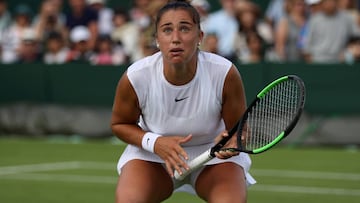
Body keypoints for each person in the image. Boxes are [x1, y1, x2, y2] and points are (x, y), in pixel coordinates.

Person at [111, 1, 255, 202]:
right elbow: (119, 124)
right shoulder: (136, 76)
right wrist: (155, 142)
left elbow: (239, 132)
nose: (176, 38)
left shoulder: (224, 73)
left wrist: (232, 142)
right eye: (167, 30)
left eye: (185, 28)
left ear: (199, 37)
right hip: (153, 156)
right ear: (157, 39)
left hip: (212, 159)